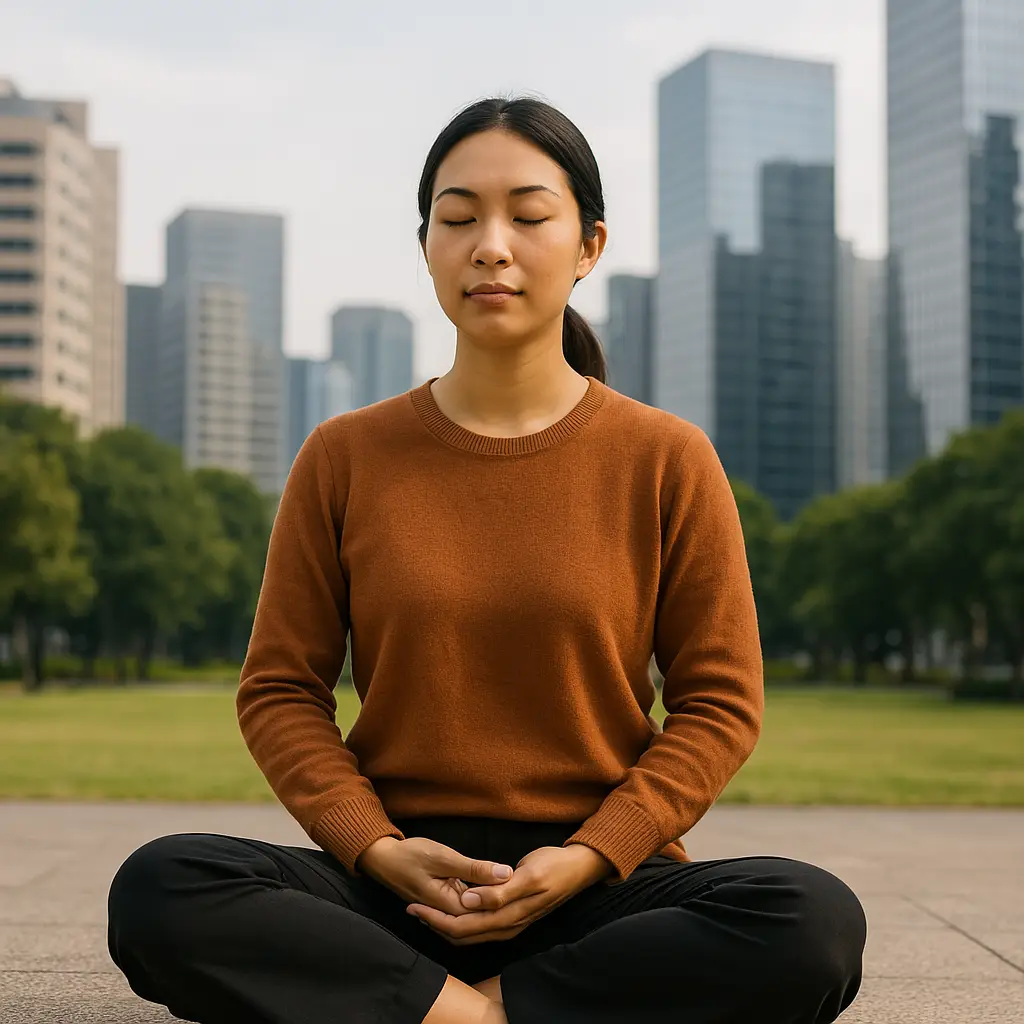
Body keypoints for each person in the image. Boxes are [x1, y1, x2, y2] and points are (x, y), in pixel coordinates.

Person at [107, 95, 866, 1024]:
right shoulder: (344, 454)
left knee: (812, 921)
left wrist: (591, 855)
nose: (491, 245)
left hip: (594, 892)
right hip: (396, 889)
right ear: (426, 242)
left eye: (529, 216)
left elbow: (720, 704)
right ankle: (486, 1014)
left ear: (588, 245)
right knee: (163, 884)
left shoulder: (667, 457)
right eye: (458, 218)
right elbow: (279, 690)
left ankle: (453, 1013)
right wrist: (376, 848)